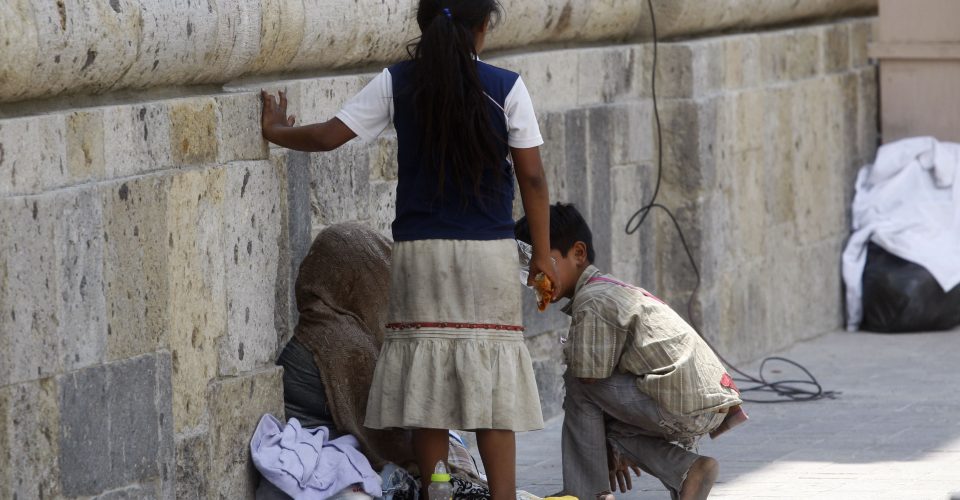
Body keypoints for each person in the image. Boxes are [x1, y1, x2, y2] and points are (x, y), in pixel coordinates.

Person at [260, 1, 557, 498]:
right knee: (491, 383)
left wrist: (277, 132)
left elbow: (332, 135)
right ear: (484, 26)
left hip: (421, 255)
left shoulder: (397, 83)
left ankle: (435, 485)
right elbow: (532, 176)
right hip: (488, 254)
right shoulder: (507, 88)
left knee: (427, 371)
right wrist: (543, 255)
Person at [515, 203, 747, 500]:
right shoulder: (608, 288)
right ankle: (688, 470)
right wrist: (607, 443)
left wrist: (602, 448)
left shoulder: (592, 301)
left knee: (578, 382)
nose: (538, 277)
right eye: (530, 270)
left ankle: (585, 493)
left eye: (544, 263)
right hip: (702, 400)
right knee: (605, 419)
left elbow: (586, 381)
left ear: (578, 254)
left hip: (679, 399)